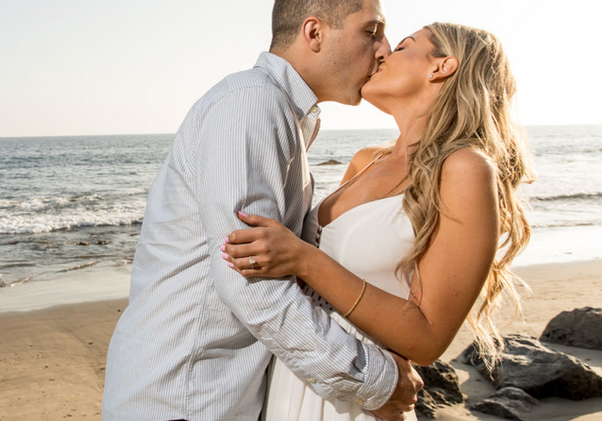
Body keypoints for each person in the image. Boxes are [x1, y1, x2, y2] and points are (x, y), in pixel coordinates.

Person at [103, 0, 423, 421]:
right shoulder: (252, 104)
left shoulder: (286, 116)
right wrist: (375, 379)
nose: (384, 49)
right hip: (185, 400)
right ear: (314, 33)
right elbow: (250, 284)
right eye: (371, 31)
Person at [222, 22, 534, 420]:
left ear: (441, 67)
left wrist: (304, 260)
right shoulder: (366, 160)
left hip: (361, 400)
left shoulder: (464, 169)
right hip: (301, 379)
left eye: (404, 46)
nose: (383, 53)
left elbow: (428, 337)